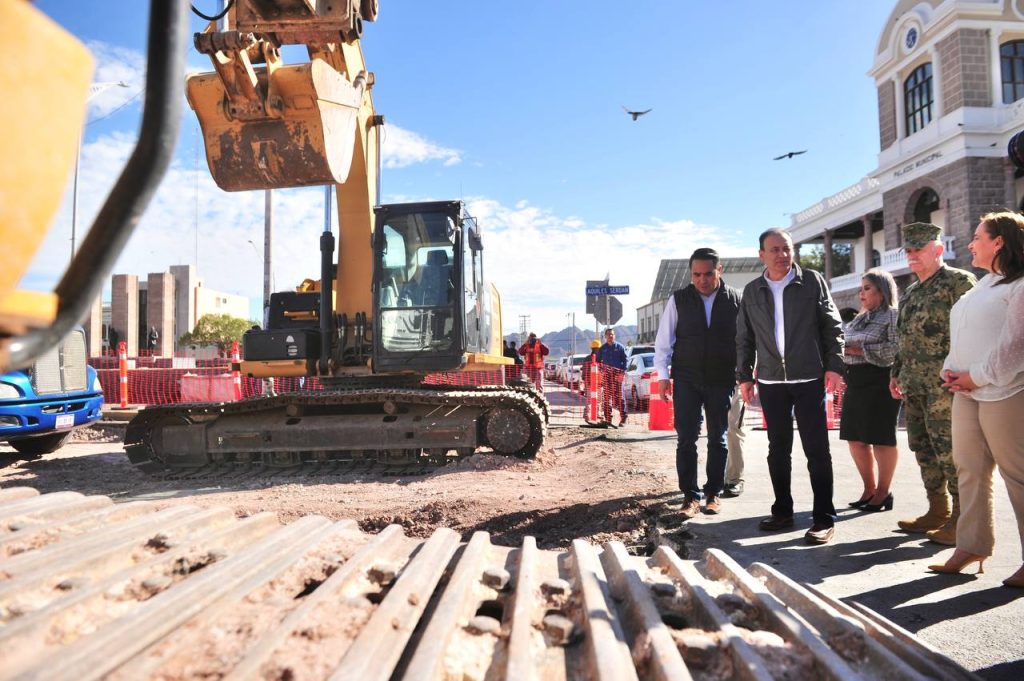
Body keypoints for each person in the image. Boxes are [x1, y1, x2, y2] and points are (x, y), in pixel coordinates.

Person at [929, 212, 1024, 588]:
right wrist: (951, 372)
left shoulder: (1019, 285)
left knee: (1018, 477)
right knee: (968, 469)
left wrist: (976, 376)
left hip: (1006, 390)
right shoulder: (982, 285)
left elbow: (1017, 346)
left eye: (977, 237)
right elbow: (968, 335)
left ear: (998, 241)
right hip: (966, 393)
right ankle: (971, 546)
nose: (970, 244)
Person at [736, 228, 844, 545]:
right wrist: (744, 376)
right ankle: (783, 511)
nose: (782, 255)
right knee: (777, 450)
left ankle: (823, 518)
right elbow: (744, 338)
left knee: (817, 450)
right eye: (775, 250)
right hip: (771, 382)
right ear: (762, 255)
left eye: (787, 248)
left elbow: (832, 326)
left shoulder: (811, 281)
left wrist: (835, 367)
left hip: (809, 378)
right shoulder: (752, 291)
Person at [890, 222, 976, 546]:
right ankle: (937, 510)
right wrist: (896, 373)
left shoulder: (958, 282)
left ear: (937, 250)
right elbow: (904, 339)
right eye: (908, 250)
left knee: (951, 454)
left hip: (946, 389)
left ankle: (962, 521)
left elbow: (974, 331)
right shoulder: (911, 292)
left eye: (918, 249)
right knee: (923, 450)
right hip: (914, 387)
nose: (911, 255)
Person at [655, 247, 741, 517]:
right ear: (691, 274)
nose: (702, 280)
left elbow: (746, 342)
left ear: (720, 270)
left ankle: (713, 494)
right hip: (687, 380)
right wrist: (663, 377)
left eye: (708, 274)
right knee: (686, 439)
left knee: (718, 438)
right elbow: (663, 342)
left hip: (721, 379)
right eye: (697, 275)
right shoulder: (678, 300)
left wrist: (747, 374)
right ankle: (690, 496)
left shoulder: (736, 300)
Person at [840, 269, 901, 512]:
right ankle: (869, 488)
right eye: (860, 288)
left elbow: (895, 350)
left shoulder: (893, 316)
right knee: (855, 439)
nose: (861, 293)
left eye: (867, 288)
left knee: (881, 438)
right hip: (855, 381)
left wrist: (857, 350)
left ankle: (884, 492)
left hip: (880, 381)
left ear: (882, 290)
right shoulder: (859, 318)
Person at [596, 328, 628, 425]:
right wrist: (601, 371)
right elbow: (598, 362)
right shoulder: (602, 349)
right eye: (609, 334)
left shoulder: (620, 347)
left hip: (618, 375)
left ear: (614, 336)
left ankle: (623, 418)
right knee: (607, 397)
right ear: (605, 336)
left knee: (620, 397)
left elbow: (625, 360)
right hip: (607, 375)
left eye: (612, 334)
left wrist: (622, 372)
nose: (611, 336)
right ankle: (608, 418)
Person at [723, 390, 746, 497]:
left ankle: (734, 479)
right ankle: (715, 479)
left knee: (734, 430)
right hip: (706, 382)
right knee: (715, 431)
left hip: (735, 382)